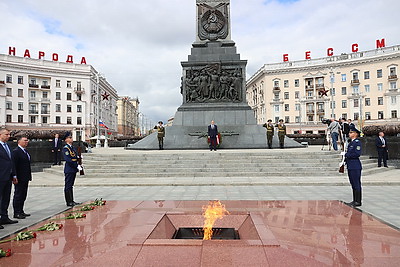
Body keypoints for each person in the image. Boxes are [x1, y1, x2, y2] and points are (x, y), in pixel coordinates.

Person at [0, 128, 18, 227]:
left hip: (8, 176)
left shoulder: (8, 146)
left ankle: (4, 217)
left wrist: (14, 175)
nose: (8, 136)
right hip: (1, 176)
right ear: (0, 135)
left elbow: (11, 161)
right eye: (6, 134)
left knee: (6, 197)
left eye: (9, 134)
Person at [12, 136, 32, 219]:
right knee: (18, 194)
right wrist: (14, 176)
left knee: (23, 194)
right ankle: (16, 212)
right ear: (19, 142)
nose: (27, 142)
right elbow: (14, 165)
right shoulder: (16, 152)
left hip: (25, 176)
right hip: (19, 177)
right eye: (25, 140)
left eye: (27, 140)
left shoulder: (25, 151)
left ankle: (21, 210)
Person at [343, 127, 362, 207]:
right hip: (350, 165)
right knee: (353, 183)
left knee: (356, 183)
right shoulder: (351, 143)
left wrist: (346, 154)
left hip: (355, 165)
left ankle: (358, 201)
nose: (349, 134)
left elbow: (357, 154)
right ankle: (354, 200)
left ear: (355, 134)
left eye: (351, 133)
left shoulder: (357, 143)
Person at [63, 132, 81, 207]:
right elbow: (68, 159)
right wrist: (76, 165)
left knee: (71, 185)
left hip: (73, 169)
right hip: (69, 169)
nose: (71, 139)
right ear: (66, 139)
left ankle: (72, 200)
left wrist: (79, 158)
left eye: (71, 137)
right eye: (70, 138)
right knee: (68, 185)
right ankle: (68, 201)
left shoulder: (72, 148)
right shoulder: (66, 149)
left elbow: (75, 157)